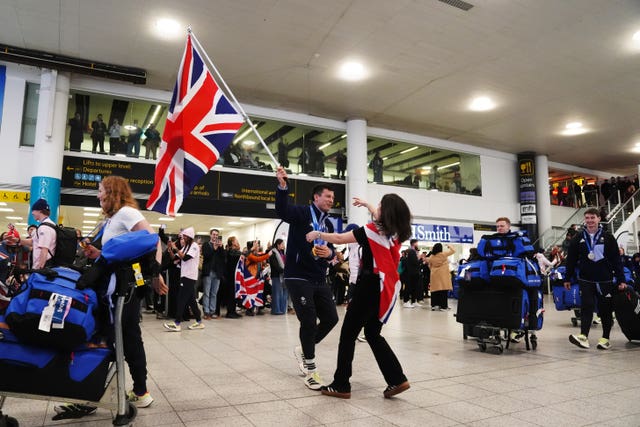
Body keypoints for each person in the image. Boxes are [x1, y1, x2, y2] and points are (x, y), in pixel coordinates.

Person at [304, 194, 411, 399]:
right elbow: (376, 215)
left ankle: (341, 384)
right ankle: (397, 378)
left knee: (348, 334)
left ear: (385, 211)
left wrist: (317, 233)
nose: (375, 209)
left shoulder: (371, 231)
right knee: (372, 333)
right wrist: (367, 204)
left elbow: (339, 238)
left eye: (379, 206)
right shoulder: (396, 233)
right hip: (385, 288)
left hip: (369, 287)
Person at [80, 175, 168, 408]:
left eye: (100, 191)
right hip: (115, 285)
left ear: (112, 192)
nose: (98, 195)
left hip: (126, 287)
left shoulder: (127, 212)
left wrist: (155, 273)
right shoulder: (112, 219)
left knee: (129, 336)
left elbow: (153, 240)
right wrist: (98, 254)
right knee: (119, 335)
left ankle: (141, 391)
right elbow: (119, 251)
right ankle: (109, 389)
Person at [275, 166, 339, 390]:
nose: (331, 200)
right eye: (328, 196)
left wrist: (329, 253)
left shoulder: (328, 224)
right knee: (309, 321)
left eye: (333, 197)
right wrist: (283, 186)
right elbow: (282, 211)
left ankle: (304, 349)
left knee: (331, 319)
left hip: (319, 277)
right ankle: (310, 369)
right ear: (316, 197)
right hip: (297, 276)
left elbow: (331, 251)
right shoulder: (302, 213)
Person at [565, 207, 627, 350]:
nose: (590, 221)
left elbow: (616, 260)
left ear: (599, 219)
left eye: (593, 218)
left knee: (605, 310)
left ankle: (605, 338)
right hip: (586, 279)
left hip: (605, 280)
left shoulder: (608, 238)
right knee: (586, 307)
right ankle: (583, 337)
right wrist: (567, 278)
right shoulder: (578, 238)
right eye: (587, 218)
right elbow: (571, 260)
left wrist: (621, 279)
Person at [163, 227, 205, 331]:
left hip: (189, 277)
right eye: (182, 236)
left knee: (181, 299)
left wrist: (176, 249)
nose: (183, 238)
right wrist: (170, 250)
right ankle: (199, 322)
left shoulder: (194, 246)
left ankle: (177, 323)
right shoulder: (186, 247)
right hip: (185, 276)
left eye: (184, 236)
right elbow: (175, 258)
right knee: (192, 301)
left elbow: (186, 258)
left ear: (189, 237)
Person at [201, 228, 225, 319]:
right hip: (208, 272)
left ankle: (212, 311)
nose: (215, 236)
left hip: (217, 273)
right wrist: (214, 249)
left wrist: (221, 248)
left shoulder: (220, 246)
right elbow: (206, 256)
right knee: (206, 292)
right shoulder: (206, 245)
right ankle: (206, 312)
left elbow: (223, 258)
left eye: (217, 235)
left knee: (214, 293)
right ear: (210, 235)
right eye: (214, 234)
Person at [29, 198, 56, 269]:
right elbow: (33, 241)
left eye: (33, 210)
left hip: (42, 267)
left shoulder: (45, 228)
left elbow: (44, 250)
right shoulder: (47, 225)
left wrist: (39, 270)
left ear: (39, 211)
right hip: (45, 266)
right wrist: (18, 241)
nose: (32, 213)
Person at [428, 243, 455, 311]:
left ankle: (434, 305)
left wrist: (433, 269)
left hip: (434, 274)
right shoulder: (443, 254)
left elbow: (429, 265)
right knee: (443, 290)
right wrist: (449, 246)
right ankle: (443, 306)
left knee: (434, 290)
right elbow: (453, 251)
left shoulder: (431, 256)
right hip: (443, 275)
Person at [223, 236, 242, 318]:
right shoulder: (231, 251)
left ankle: (233, 311)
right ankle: (230, 312)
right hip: (230, 277)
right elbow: (240, 255)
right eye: (236, 240)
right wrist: (251, 248)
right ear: (233, 242)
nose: (238, 241)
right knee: (231, 294)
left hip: (234, 276)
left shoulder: (234, 251)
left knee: (234, 294)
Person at [269, 238, 287, 315]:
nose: (283, 245)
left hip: (283, 275)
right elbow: (275, 266)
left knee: (283, 293)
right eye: (282, 244)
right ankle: (276, 310)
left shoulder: (281, 252)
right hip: (276, 275)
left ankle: (282, 309)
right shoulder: (273, 252)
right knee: (277, 293)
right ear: (278, 244)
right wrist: (284, 271)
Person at [402, 239, 422, 308]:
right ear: (414, 243)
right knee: (408, 287)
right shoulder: (411, 251)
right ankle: (406, 301)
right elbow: (415, 262)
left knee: (414, 287)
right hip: (410, 273)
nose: (418, 244)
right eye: (417, 243)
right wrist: (420, 258)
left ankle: (414, 301)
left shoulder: (414, 251)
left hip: (414, 273)